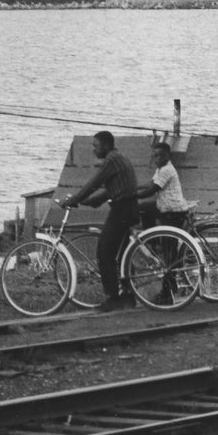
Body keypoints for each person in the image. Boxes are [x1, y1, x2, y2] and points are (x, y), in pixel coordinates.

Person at [61, 131, 139, 312]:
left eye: (95, 146)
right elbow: (110, 188)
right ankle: (128, 296)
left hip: (122, 210)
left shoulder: (111, 160)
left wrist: (75, 199)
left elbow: (94, 183)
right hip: (129, 207)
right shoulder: (119, 158)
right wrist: (93, 201)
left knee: (105, 253)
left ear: (106, 145)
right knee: (121, 255)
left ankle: (113, 298)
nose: (93, 150)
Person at [138, 141, 193, 228]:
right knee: (144, 207)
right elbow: (151, 183)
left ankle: (150, 236)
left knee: (144, 208)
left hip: (172, 208)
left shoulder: (166, 170)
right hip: (166, 204)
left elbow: (152, 190)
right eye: (156, 156)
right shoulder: (161, 168)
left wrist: (133, 195)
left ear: (169, 155)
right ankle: (150, 235)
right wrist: (134, 188)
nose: (159, 158)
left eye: (162, 155)